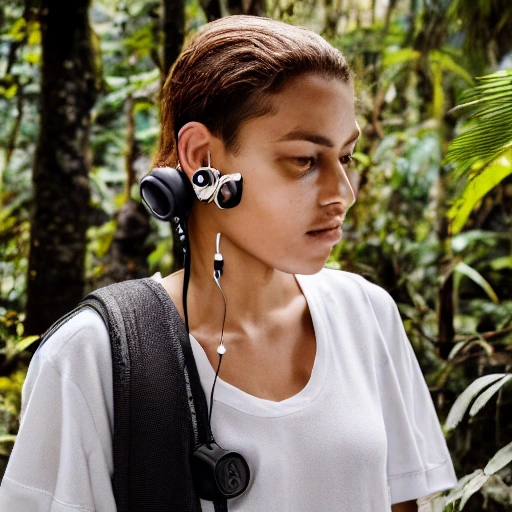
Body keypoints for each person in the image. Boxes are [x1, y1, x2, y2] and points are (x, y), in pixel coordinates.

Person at [0, 15, 457, 512]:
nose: (342, 194)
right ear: (201, 157)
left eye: (346, 157)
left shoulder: (366, 315)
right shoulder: (93, 358)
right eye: (305, 160)